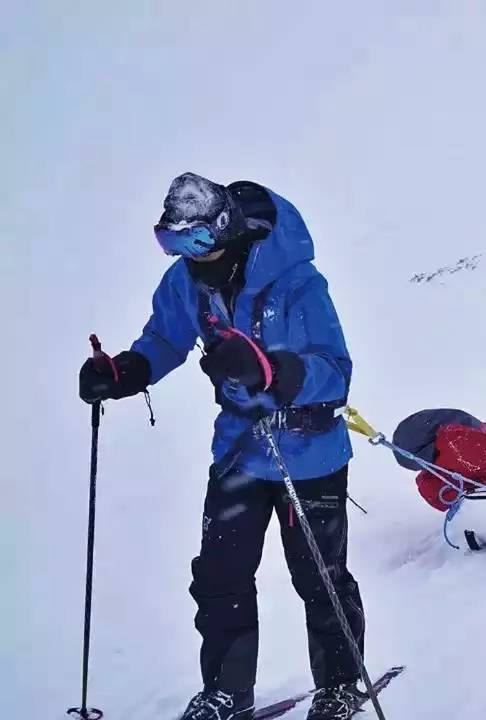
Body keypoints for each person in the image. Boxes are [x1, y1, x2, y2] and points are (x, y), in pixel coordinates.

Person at [77, 173, 366, 720]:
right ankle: (226, 694)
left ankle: (340, 685)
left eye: (196, 241)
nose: (186, 255)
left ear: (224, 231)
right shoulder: (186, 283)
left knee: (320, 578)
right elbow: (164, 339)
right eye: (172, 242)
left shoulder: (299, 284)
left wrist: (271, 370)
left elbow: (336, 372)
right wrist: (123, 372)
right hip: (240, 451)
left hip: (311, 452)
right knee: (220, 577)